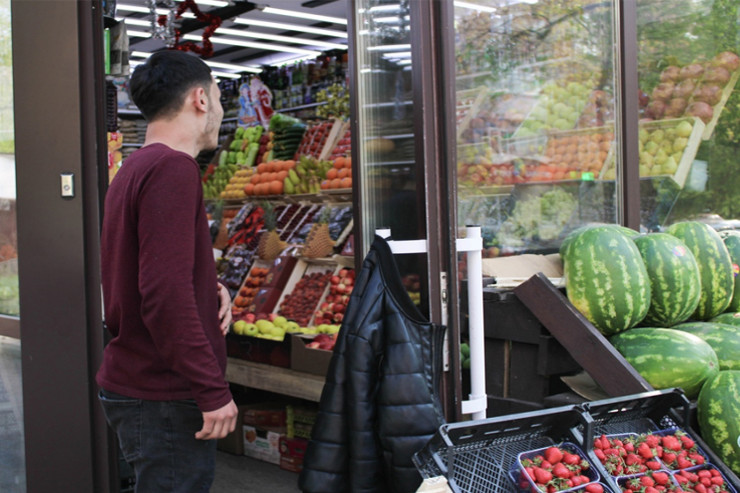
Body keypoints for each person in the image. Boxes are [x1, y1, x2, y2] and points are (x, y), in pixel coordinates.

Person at [96, 50, 238, 493]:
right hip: (163, 391)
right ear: (200, 99)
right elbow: (163, 293)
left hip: (140, 383)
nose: (220, 108)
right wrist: (211, 391)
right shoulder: (174, 169)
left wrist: (204, 285)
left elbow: (145, 271)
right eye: (218, 96)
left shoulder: (135, 167)